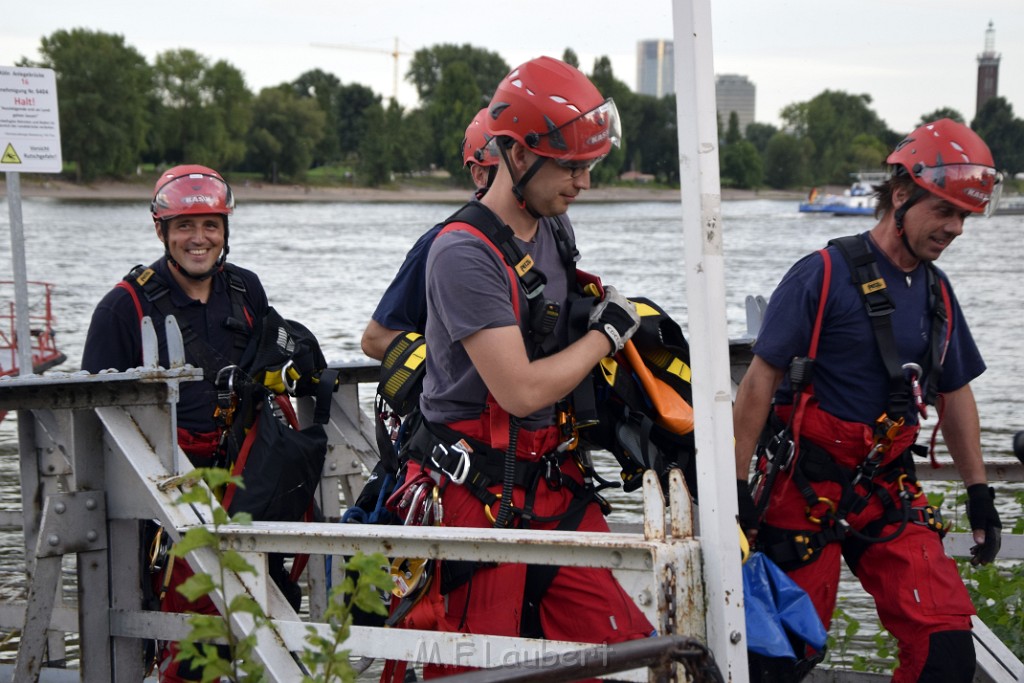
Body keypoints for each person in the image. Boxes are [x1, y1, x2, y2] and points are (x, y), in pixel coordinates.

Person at [398, 56, 653, 678]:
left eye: (589, 166)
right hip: (474, 491)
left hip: (549, 476)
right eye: (570, 166)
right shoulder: (461, 252)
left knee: (627, 649)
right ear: (516, 156)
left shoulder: (554, 228)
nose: (584, 183)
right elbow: (517, 389)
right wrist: (608, 336)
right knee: (474, 665)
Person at [733, 119, 1003, 682]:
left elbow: (956, 394)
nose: (954, 228)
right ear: (901, 194)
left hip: (885, 487)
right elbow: (757, 383)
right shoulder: (822, 275)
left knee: (947, 649)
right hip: (802, 490)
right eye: (944, 211)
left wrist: (979, 492)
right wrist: (736, 494)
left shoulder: (937, 293)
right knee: (781, 655)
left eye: (963, 217)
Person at [82, 165, 274, 682]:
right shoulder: (124, 306)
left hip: (239, 480)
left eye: (210, 225)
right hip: (157, 491)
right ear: (161, 231)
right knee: (168, 618)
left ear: (226, 231)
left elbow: (268, 373)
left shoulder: (246, 291)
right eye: (184, 226)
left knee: (265, 602)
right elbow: (92, 414)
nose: (199, 239)